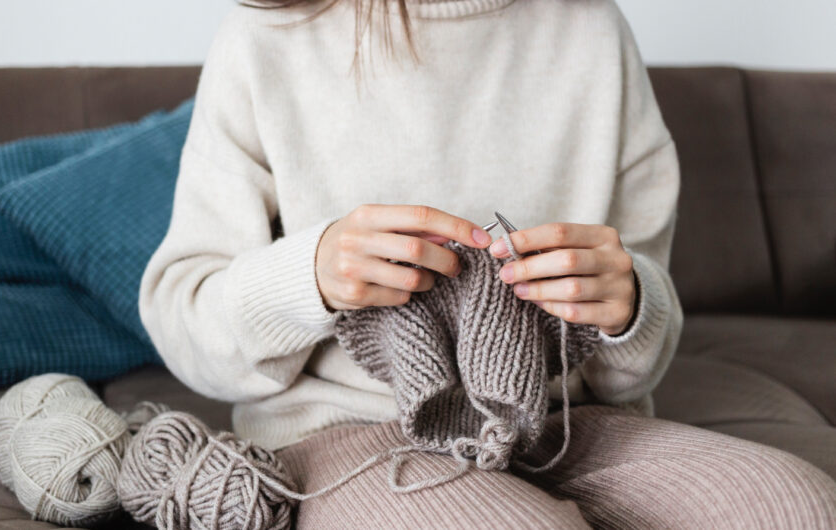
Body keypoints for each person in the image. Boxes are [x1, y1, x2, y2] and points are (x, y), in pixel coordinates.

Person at [139, 0, 836, 527]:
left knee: (797, 507)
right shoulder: (265, 40)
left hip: (567, 425)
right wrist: (308, 278)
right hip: (346, 434)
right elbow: (184, 320)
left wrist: (627, 305)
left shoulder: (590, 26)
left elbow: (637, 357)